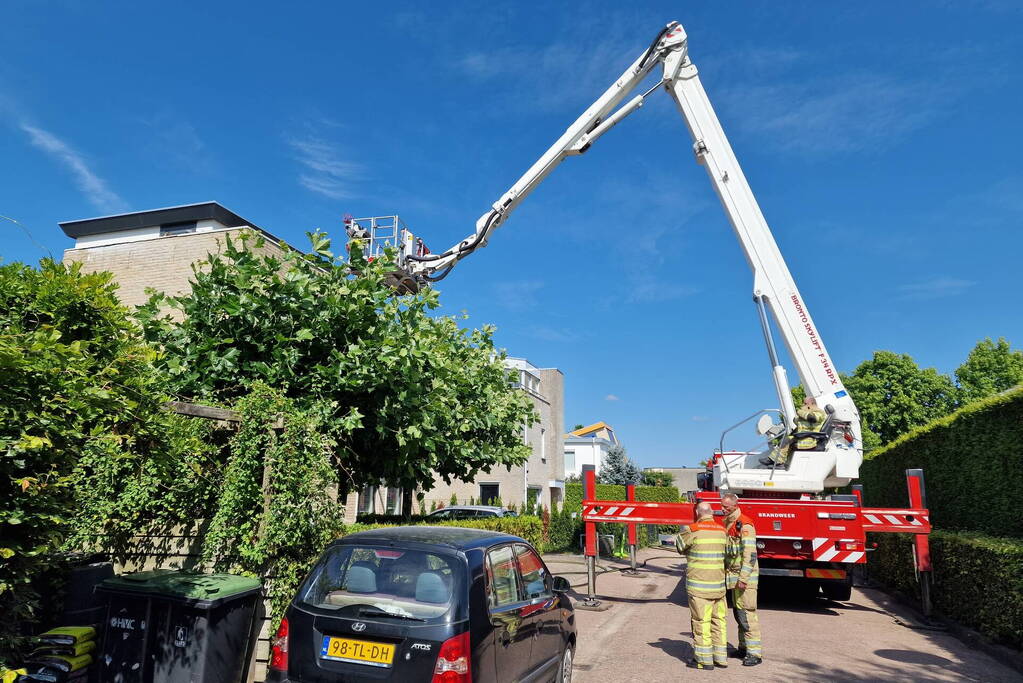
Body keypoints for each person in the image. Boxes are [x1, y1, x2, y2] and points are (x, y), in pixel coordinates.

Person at [676, 501, 728, 670]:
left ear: (698, 513)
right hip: (718, 587)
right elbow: (729, 553)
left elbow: (680, 547)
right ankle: (721, 658)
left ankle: (704, 660)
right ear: (711, 512)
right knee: (719, 622)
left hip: (699, 587)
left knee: (701, 622)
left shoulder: (692, 530)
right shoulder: (722, 531)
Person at [720, 492, 762, 666]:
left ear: (735, 506)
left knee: (747, 615)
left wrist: (743, 578)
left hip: (745, 579)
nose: (722, 509)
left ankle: (755, 653)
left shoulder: (745, 525)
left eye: (726, 507)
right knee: (739, 614)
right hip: (735, 578)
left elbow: (750, 555)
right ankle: (743, 648)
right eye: (722, 506)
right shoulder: (730, 522)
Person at [763, 396, 827, 467]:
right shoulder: (808, 413)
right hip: (803, 436)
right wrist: (799, 416)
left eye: (805, 404)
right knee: (785, 440)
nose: (803, 405)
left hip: (810, 439)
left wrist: (800, 412)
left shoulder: (819, 412)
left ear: (812, 403)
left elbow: (812, 418)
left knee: (786, 441)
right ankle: (774, 460)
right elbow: (796, 421)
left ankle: (777, 462)